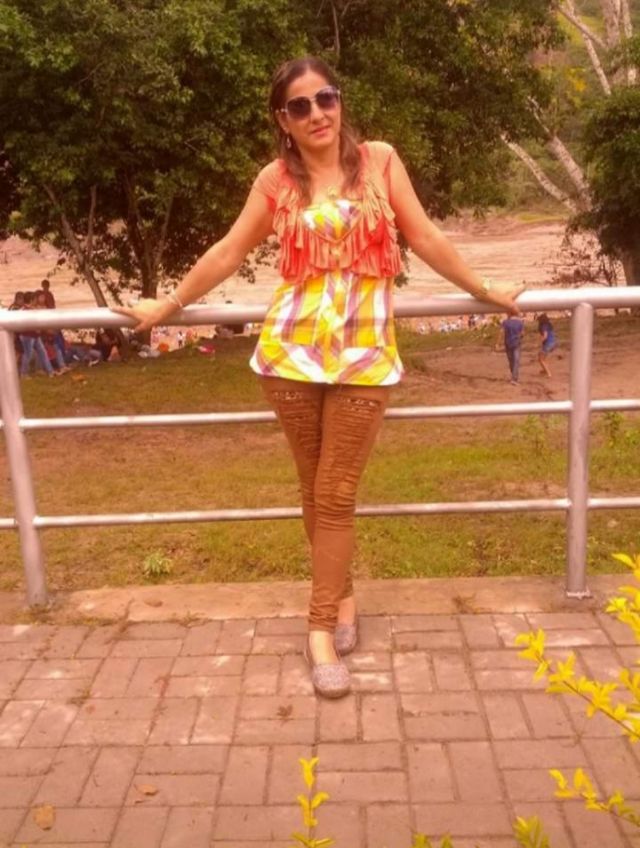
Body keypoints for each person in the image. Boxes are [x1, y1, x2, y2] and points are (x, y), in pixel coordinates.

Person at [115, 56, 524, 698]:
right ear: (283, 120)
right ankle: (343, 598)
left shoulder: (381, 162)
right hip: (290, 355)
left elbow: (423, 237)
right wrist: (167, 305)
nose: (316, 114)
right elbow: (229, 251)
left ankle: (318, 630)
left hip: (365, 356)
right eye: (299, 106)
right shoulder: (276, 180)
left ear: (339, 101)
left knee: (335, 492)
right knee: (314, 490)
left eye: (324, 98)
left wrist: (484, 288)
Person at [499, 313, 525, 385]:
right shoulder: (520, 323)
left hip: (508, 343)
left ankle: (513, 376)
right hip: (516, 343)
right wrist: (519, 337)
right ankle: (514, 378)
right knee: (516, 361)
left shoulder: (505, 322)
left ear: (509, 315)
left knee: (511, 361)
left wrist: (498, 343)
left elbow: (501, 332)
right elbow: (522, 333)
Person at [537, 312, 556, 377]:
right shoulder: (548, 324)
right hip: (553, 342)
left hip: (548, 343)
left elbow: (545, 336)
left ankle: (548, 373)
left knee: (541, 359)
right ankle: (544, 370)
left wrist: (539, 342)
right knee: (543, 357)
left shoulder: (543, 326)